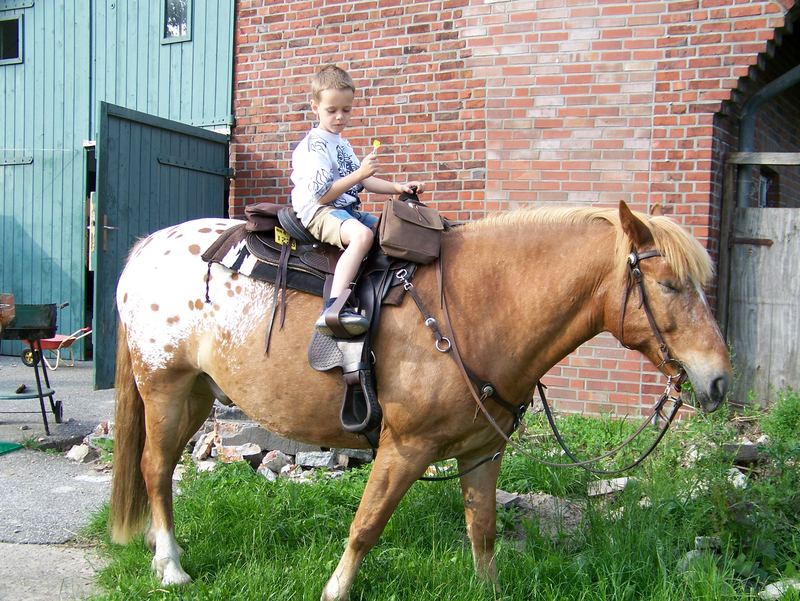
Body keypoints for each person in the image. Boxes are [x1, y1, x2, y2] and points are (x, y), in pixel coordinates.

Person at [291, 64, 425, 337]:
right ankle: (333, 307)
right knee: (363, 236)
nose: (340, 117)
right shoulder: (314, 146)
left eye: (346, 110)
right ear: (315, 106)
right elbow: (324, 194)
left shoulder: (342, 143)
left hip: (346, 209)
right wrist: (361, 173)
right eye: (332, 110)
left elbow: (363, 180)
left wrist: (398, 186)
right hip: (321, 211)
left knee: (391, 232)